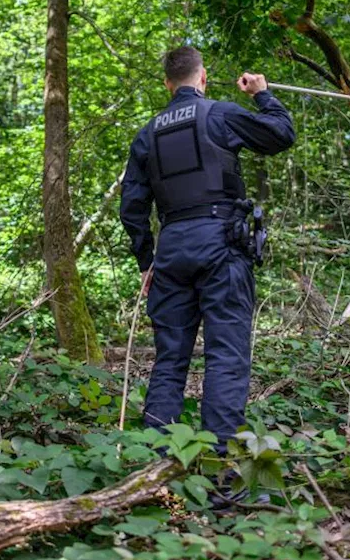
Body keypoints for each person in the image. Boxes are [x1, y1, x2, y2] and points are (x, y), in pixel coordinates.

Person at [119, 45, 295, 459]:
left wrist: (148, 262)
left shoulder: (147, 134)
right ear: (203, 78)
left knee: (169, 360)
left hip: (172, 251)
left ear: (167, 84)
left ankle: (155, 467)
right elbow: (280, 134)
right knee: (226, 356)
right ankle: (221, 472)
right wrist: (261, 93)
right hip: (220, 244)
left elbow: (132, 209)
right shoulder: (219, 113)